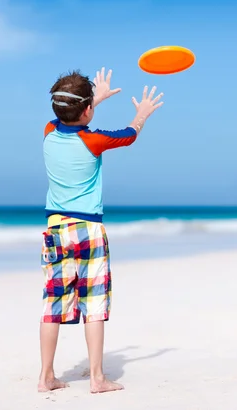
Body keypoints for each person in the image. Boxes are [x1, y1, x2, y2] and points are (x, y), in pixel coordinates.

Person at [38, 67, 164, 394]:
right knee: (93, 304)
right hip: (88, 230)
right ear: (87, 109)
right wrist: (142, 115)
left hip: (55, 229)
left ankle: (46, 376)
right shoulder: (94, 141)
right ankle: (96, 378)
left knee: (53, 304)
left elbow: (69, 117)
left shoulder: (48, 131)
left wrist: (95, 101)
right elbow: (128, 135)